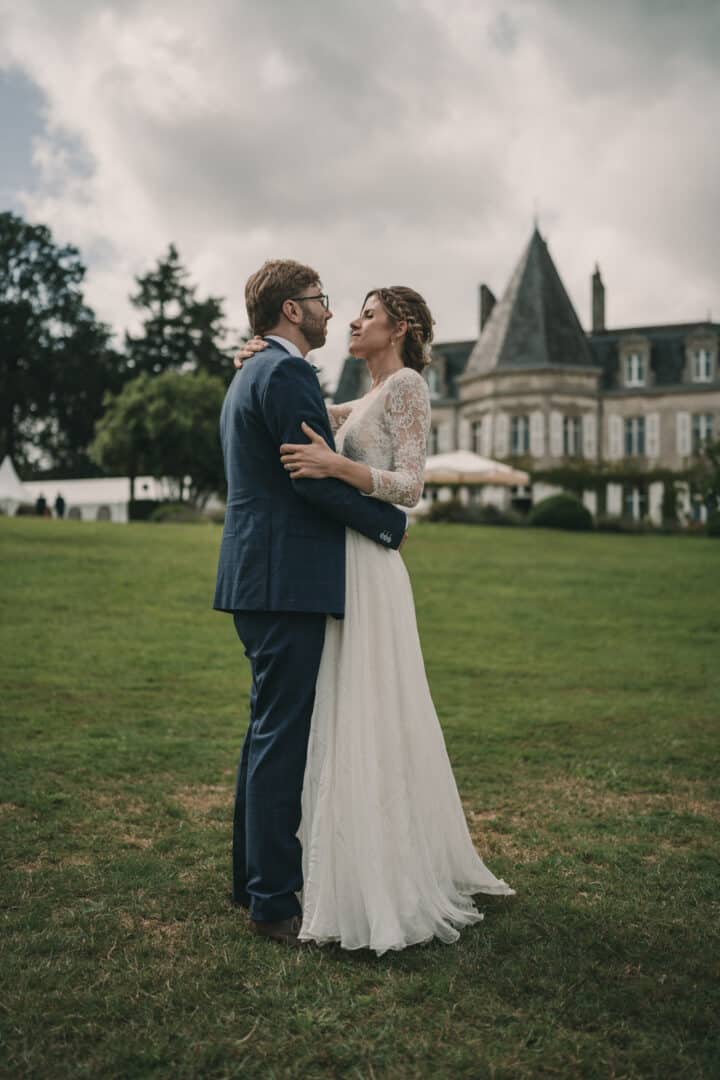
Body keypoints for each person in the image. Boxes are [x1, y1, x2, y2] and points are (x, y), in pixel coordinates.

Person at [234, 285, 514, 955]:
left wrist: (339, 466)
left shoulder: (410, 385)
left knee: (373, 707)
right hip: (339, 565)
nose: (352, 320)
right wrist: (253, 356)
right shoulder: (360, 397)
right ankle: (339, 861)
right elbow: (286, 402)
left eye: (366, 313)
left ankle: (385, 867)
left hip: (370, 568)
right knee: (340, 709)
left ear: (401, 327)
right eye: (348, 310)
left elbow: (412, 485)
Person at [213, 260, 408, 948]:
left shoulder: (252, 371)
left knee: (267, 728)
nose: (331, 312)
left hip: (257, 576)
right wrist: (391, 526)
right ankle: (272, 900)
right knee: (281, 737)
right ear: (292, 311)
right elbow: (310, 478)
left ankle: (252, 880)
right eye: (322, 301)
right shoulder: (287, 372)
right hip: (283, 578)